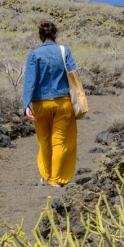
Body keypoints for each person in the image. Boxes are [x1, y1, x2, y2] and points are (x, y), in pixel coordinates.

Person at [22, 20, 78, 187]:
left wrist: (26, 105)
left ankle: (46, 176)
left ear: (40, 36)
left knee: (44, 141)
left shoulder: (34, 54)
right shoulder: (64, 51)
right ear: (55, 35)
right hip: (63, 103)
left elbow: (30, 82)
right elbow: (75, 75)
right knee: (59, 141)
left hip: (41, 105)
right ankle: (56, 179)